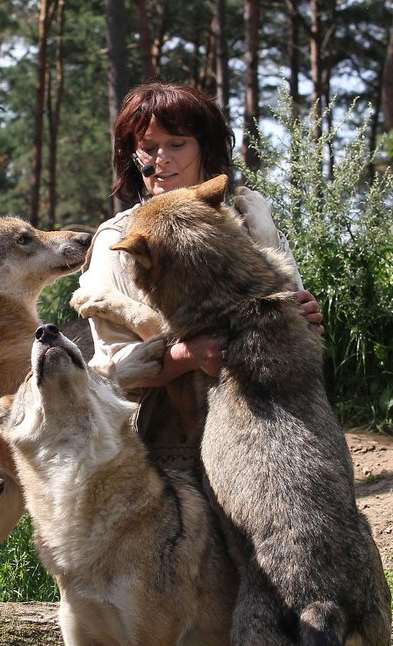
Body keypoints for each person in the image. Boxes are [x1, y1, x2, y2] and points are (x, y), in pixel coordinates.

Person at [73, 82, 324, 470]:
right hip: (166, 453)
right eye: (148, 147)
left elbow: (295, 322)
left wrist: (304, 316)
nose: (161, 160)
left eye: (177, 143)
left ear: (204, 147)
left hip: (274, 433)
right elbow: (111, 370)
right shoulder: (119, 240)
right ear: (133, 156)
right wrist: (185, 356)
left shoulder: (249, 223)